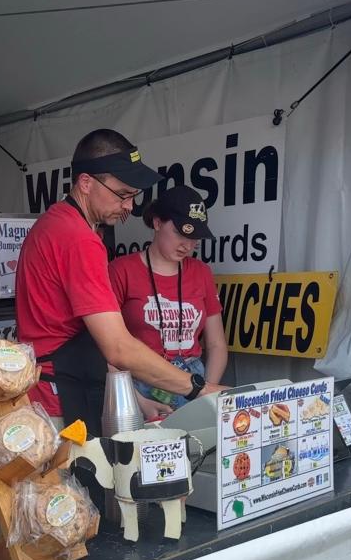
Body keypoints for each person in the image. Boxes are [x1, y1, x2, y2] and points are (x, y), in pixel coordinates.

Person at [15, 129, 224, 434]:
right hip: (61, 398)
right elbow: (118, 348)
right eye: (123, 195)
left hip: (52, 390)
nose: (129, 207)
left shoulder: (53, 223)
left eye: (134, 197)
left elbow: (97, 340)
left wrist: (143, 399)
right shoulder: (77, 239)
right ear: (86, 182)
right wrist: (200, 389)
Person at [109, 184, 227, 418]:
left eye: (195, 238)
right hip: (140, 382)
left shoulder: (201, 272)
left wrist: (206, 393)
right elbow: (107, 349)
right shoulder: (121, 270)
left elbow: (216, 344)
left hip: (194, 379)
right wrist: (136, 400)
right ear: (157, 222)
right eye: (181, 233)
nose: (188, 245)